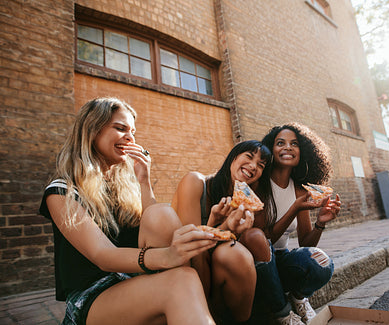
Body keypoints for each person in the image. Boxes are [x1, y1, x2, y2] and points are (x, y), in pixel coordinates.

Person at [39, 97, 216, 325]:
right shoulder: (61, 191)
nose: (130, 137)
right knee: (181, 281)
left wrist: (144, 180)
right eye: (120, 128)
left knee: (161, 215)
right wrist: (168, 255)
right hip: (94, 296)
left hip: (136, 281)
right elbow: (103, 256)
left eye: (132, 132)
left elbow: (157, 229)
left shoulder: (125, 189)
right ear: (92, 129)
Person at [172, 140, 274, 323]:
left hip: (213, 270)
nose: (253, 166)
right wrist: (216, 224)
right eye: (249, 157)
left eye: (260, 165)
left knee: (234, 254)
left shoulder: (243, 202)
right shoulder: (195, 182)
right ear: (233, 157)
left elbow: (218, 252)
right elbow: (191, 249)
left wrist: (227, 227)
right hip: (184, 267)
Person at [255, 122, 342, 325]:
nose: (287, 147)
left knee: (321, 263)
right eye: (280, 143)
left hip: (282, 259)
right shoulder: (260, 185)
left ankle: (299, 298)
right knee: (261, 245)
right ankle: (284, 315)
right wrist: (294, 208)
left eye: (294, 143)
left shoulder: (300, 190)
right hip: (259, 263)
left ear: (303, 152)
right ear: (270, 149)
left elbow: (305, 243)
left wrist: (320, 223)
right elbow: (263, 239)